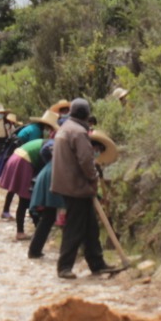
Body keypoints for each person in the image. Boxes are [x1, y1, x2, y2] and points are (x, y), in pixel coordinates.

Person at [51, 98, 122, 279]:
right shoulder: (79, 132)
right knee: (75, 227)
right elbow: (85, 160)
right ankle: (64, 266)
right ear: (86, 114)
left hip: (67, 184)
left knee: (91, 227)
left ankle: (97, 263)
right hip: (76, 186)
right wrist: (93, 178)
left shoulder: (65, 129)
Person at [0, 119, 57, 240]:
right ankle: (21, 231)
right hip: (23, 162)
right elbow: (44, 159)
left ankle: (33, 228)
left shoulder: (51, 142)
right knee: (25, 199)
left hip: (18, 158)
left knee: (25, 196)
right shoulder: (53, 145)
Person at [26, 139, 64, 259]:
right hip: (55, 178)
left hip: (50, 174)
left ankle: (34, 250)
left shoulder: (61, 141)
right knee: (51, 215)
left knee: (49, 216)